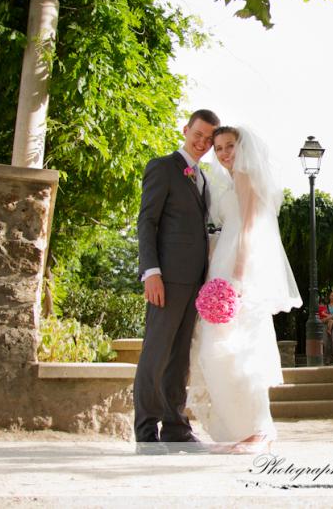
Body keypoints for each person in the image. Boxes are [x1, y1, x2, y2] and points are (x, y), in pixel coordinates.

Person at [187, 125, 302, 454]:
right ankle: (244, 430)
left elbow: (250, 225)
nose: (224, 153)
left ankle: (259, 432)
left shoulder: (243, 175)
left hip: (240, 266)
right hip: (227, 260)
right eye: (219, 148)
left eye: (230, 146)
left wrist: (236, 275)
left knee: (236, 349)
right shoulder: (234, 178)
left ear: (243, 148)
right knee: (228, 349)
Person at [134, 109, 220, 455]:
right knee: (155, 354)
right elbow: (147, 222)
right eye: (197, 135)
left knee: (179, 358)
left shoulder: (204, 179)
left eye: (208, 140)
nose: (201, 143)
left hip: (194, 283)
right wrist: (151, 272)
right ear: (185, 130)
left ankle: (175, 428)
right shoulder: (163, 167)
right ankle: (145, 433)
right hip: (166, 279)